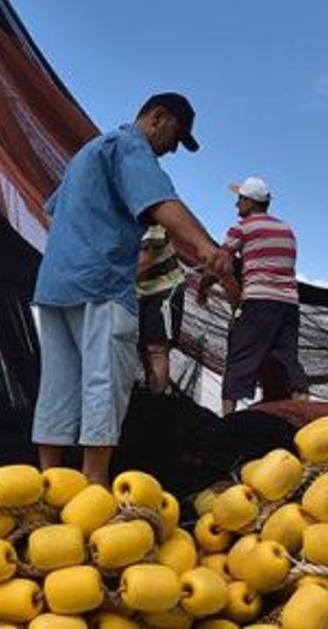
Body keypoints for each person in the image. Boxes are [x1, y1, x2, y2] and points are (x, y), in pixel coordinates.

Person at [32, 91, 234, 486]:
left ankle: (47, 485)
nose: (173, 149)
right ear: (157, 118)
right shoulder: (130, 146)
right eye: (175, 137)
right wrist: (208, 249)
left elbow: (54, 212)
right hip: (101, 285)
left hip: (56, 283)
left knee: (58, 383)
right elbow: (162, 202)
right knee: (104, 382)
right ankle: (94, 484)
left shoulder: (87, 154)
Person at [200, 177, 309, 415]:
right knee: (287, 357)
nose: (236, 204)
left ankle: (227, 417)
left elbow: (221, 262)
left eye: (240, 199)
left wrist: (203, 286)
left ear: (250, 202)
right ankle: (304, 410)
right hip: (289, 304)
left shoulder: (242, 227)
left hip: (258, 302)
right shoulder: (286, 229)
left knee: (240, 355)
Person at [136, 224, 185, 394]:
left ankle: (157, 401)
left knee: (156, 349)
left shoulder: (152, 224)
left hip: (163, 291)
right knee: (141, 348)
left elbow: (144, 262)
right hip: (141, 292)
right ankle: (150, 392)